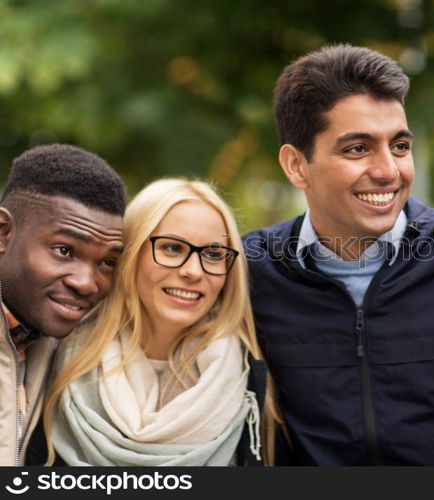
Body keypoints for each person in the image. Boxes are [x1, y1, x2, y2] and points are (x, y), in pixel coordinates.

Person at [243, 44, 434, 465]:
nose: (388, 171)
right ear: (296, 165)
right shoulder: (250, 272)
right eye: (357, 149)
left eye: (399, 146)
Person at [42, 179, 276, 466]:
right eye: (172, 248)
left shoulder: (251, 381)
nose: (193, 271)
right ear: (130, 255)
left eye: (213, 254)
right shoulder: (50, 357)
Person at [0, 143, 125, 465]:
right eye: (64, 251)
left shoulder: (54, 347)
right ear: (3, 233)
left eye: (108, 263)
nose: (87, 283)